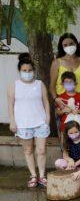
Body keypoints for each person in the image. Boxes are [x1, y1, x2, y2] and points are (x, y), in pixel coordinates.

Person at [9, 54, 51, 188]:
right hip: (23, 123)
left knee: (41, 150)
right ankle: (33, 175)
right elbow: (10, 104)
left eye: (29, 70)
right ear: (20, 71)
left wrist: (47, 117)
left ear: (34, 70)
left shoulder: (40, 84)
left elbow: (45, 101)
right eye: (24, 71)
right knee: (28, 150)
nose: (27, 73)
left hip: (40, 122)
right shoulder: (14, 85)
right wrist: (12, 121)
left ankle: (42, 175)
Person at [49, 33, 80, 100]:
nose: (68, 47)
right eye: (65, 45)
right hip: (63, 100)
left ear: (76, 44)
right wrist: (57, 100)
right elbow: (52, 86)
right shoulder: (56, 63)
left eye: (71, 44)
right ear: (62, 47)